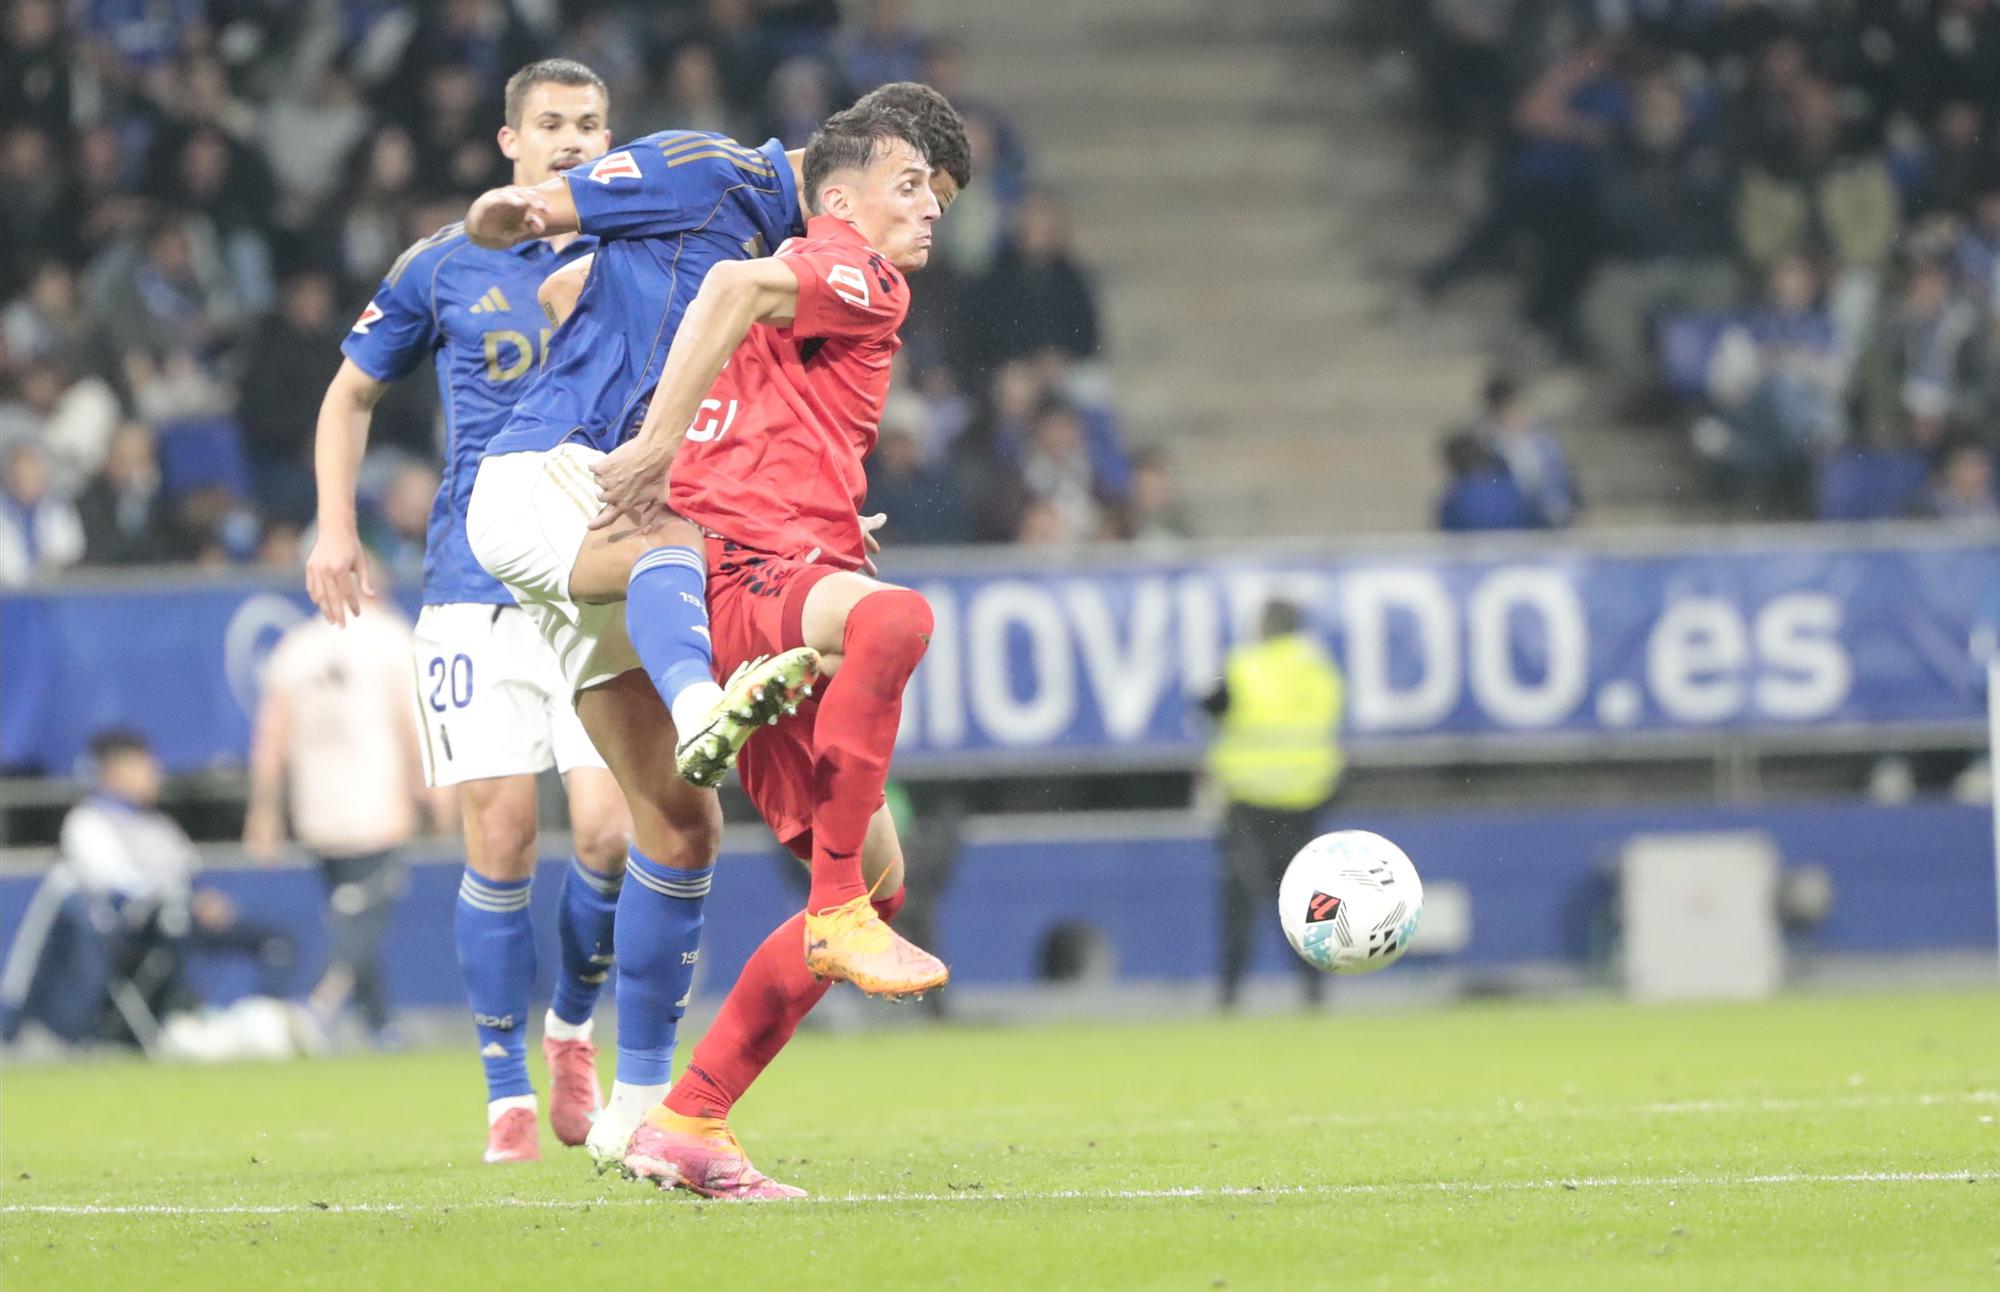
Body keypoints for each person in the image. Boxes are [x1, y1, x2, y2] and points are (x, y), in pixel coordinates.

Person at [460, 85, 969, 1174]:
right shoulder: (837, 268)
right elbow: (726, 284)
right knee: (892, 620)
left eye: (939, 195)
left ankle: (687, 1115)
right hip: (734, 569)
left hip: (749, 559)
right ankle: (823, 898)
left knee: (860, 870)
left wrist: (814, 488)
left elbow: (579, 291)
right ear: (840, 194)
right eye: (913, 186)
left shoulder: (751, 266)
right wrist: (648, 444)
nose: (931, 212)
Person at [301, 59, 634, 1164]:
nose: (574, 140)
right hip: (474, 589)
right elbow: (349, 394)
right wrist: (335, 527)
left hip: (599, 575)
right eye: (552, 124)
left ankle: (572, 1028)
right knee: (496, 837)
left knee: (607, 829)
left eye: (590, 123)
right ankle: (504, 1091)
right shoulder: (442, 264)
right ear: (509, 142)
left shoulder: (637, 249)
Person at [245, 569, 443, 1049]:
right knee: (365, 914)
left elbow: (271, 739)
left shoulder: (295, 647)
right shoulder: (392, 637)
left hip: (317, 809)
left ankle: (380, 1023)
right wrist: (433, 792)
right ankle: (321, 1007)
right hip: (378, 804)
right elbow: (412, 721)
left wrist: (265, 812)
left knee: (351, 913)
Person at [0, 730, 295, 1050]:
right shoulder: (88, 821)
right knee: (174, 924)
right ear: (116, 771)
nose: (155, 774)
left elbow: (189, 874)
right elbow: (118, 885)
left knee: (277, 942)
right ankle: (176, 1020)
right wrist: (182, 901)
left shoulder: (160, 826)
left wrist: (202, 901)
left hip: (184, 918)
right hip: (133, 933)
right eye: (145, 766)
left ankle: (257, 1021)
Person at [1203, 599, 1346, 1010]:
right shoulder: (1322, 671)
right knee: (1310, 901)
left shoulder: (1244, 666)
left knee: (1241, 900)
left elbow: (1209, 705)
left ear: (1263, 627)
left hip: (1250, 800)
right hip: (1308, 799)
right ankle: (1315, 990)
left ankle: (1230, 994)